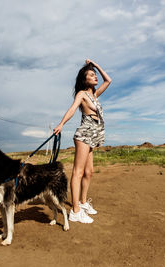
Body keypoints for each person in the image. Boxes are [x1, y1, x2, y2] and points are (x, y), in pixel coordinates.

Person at [53, 59, 112, 224]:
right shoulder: (82, 94)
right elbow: (72, 109)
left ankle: (83, 203)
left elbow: (108, 80)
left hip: (94, 135)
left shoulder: (94, 94)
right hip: (84, 133)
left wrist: (95, 64)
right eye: (91, 75)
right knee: (78, 172)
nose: (95, 77)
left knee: (89, 172)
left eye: (95, 75)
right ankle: (75, 211)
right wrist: (61, 124)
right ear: (84, 80)